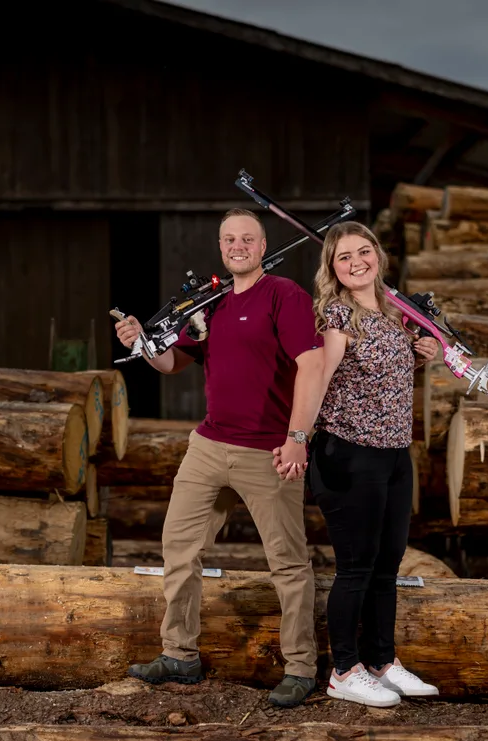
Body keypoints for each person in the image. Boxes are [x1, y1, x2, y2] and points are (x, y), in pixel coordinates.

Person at [114, 207, 326, 709]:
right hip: (208, 447)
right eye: (229, 239)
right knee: (179, 550)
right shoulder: (209, 302)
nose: (238, 246)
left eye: (247, 239)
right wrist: (142, 340)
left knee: (288, 564)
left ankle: (300, 668)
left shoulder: (285, 296)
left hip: (268, 450)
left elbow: (313, 365)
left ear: (261, 244)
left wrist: (299, 436)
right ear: (221, 246)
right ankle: (180, 655)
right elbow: (172, 362)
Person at [294, 220, 440, 707]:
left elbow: (382, 377)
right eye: (344, 257)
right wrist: (297, 437)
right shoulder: (338, 316)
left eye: (363, 252)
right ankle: (344, 669)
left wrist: (424, 354)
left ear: (378, 255)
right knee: (356, 567)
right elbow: (316, 377)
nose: (356, 262)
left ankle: (381, 661)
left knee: (387, 564)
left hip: (395, 455)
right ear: (332, 268)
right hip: (349, 455)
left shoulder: (393, 312)